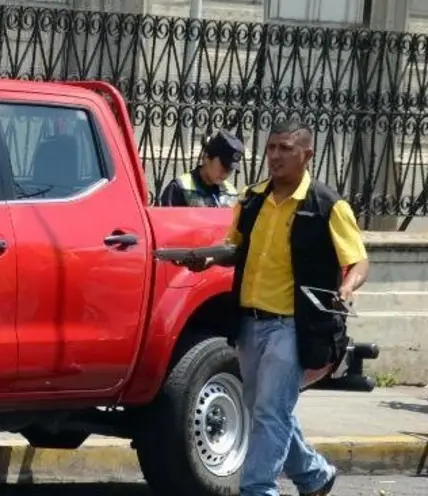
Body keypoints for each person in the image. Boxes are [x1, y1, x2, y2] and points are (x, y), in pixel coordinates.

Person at [184, 118, 370, 496]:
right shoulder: (252, 198)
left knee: (271, 413)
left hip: (292, 326)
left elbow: (359, 261)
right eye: (271, 148)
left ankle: (258, 488)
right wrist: (205, 260)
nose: (275, 156)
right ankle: (315, 475)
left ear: (307, 154)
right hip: (249, 323)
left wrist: (347, 288)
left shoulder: (328, 205)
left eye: (286, 148)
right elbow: (233, 248)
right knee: (261, 409)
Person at [157, 129, 244, 207]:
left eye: (230, 169)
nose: (226, 173)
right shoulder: (180, 189)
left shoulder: (231, 195)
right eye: (224, 165)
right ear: (207, 157)